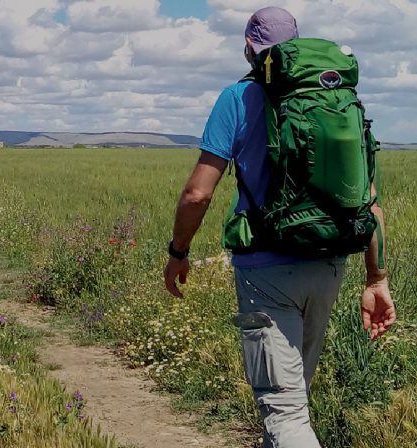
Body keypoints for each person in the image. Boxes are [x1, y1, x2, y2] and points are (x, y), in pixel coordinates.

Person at [160, 7, 395, 447]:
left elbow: (198, 193)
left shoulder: (236, 97)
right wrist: (376, 277)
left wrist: (178, 251)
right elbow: (369, 198)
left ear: (249, 48)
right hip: (330, 262)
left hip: (266, 270)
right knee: (292, 400)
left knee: (284, 412)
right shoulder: (338, 99)